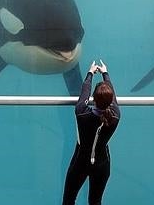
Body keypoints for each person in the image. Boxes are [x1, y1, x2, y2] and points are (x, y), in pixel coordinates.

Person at [62, 59, 121, 205]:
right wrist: (105, 74)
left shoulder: (81, 112)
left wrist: (90, 73)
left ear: (93, 99)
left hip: (80, 161)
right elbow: (111, 97)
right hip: (102, 163)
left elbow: (84, 92)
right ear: (110, 101)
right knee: (95, 201)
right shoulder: (115, 116)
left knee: (69, 199)